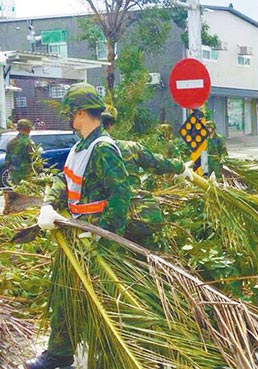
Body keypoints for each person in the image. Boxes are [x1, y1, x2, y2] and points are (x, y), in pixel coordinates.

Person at [27, 83, 132, 369]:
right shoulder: (80, 147)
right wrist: (49, 204)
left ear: (82, 113)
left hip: (94, 241)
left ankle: (116, 359)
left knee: (103, 305)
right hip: (77, 234)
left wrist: (104, 240)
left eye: (72, 113)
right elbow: (64, 179)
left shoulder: (103, 149)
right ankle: (59, 356)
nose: (70, 118)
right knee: (65, 294)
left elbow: (121, 198)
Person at [101, 107, 193, 247]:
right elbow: (157, 163)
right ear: (111, 125)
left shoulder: (82, 153)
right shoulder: (128, 147)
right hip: (136, 215)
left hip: (102, 221)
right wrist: (180, 166)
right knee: (150, 257)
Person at [5, 118, 35, 185]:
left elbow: (7, 160)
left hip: (14, 175)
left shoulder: (11, 142)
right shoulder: (29, 142)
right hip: (26, 175)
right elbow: (34, 159)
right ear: (28, 129)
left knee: (14, 193)